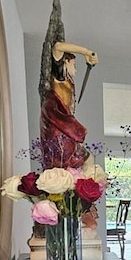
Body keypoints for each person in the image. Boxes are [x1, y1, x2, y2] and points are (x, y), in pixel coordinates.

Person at [40, 41, 98, 169]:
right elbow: (58, 47)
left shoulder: (67, 81)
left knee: (86, 159)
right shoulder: (59, 76)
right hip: (58, 128)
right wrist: (86, 52)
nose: (75, 69)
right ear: (65, 62)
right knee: (66, 162)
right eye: (74, 65)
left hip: (65, 130)